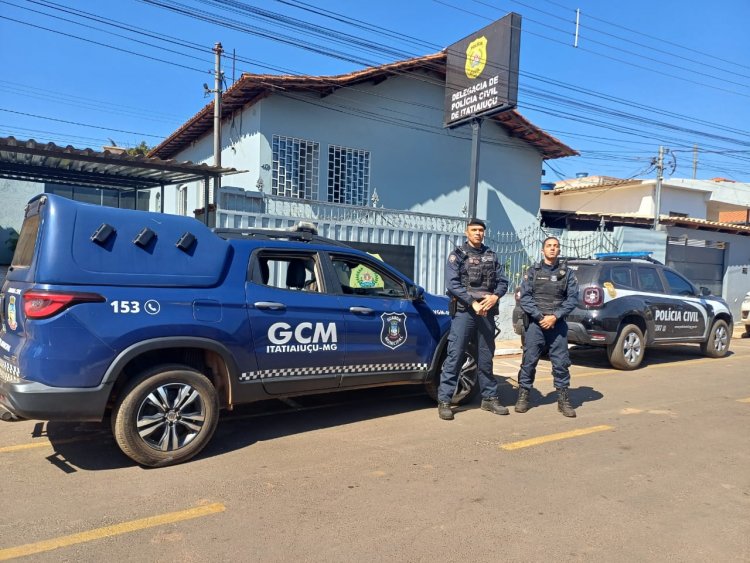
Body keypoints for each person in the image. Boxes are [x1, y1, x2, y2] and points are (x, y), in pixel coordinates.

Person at [437, 218, 509, 420]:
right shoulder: (457, 255)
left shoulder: (491, 256)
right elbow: (452, 284)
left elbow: (503, 281)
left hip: (486, 312)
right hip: (465, 312)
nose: (478, 233)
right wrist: (472, 302)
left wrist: (495, 296)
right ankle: (445, 400)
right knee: (456, 355)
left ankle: (489, 398)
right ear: (467, 232)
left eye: (481, 230)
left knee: (486, 357)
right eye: (474, 230)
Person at [515, 236, 579, 417]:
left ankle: (563, 400)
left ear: (559, 250)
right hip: (536, 324)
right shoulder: (532, 272)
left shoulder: (567, 274)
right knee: (529, 362)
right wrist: (539, 316)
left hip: (557, 325)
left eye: (555, 246)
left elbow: (572, 298)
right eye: (549, 246)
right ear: (542, 250)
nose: (552, 248)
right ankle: (523, 396)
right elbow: (524, 297)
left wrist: (555, 317)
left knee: (561, 364)